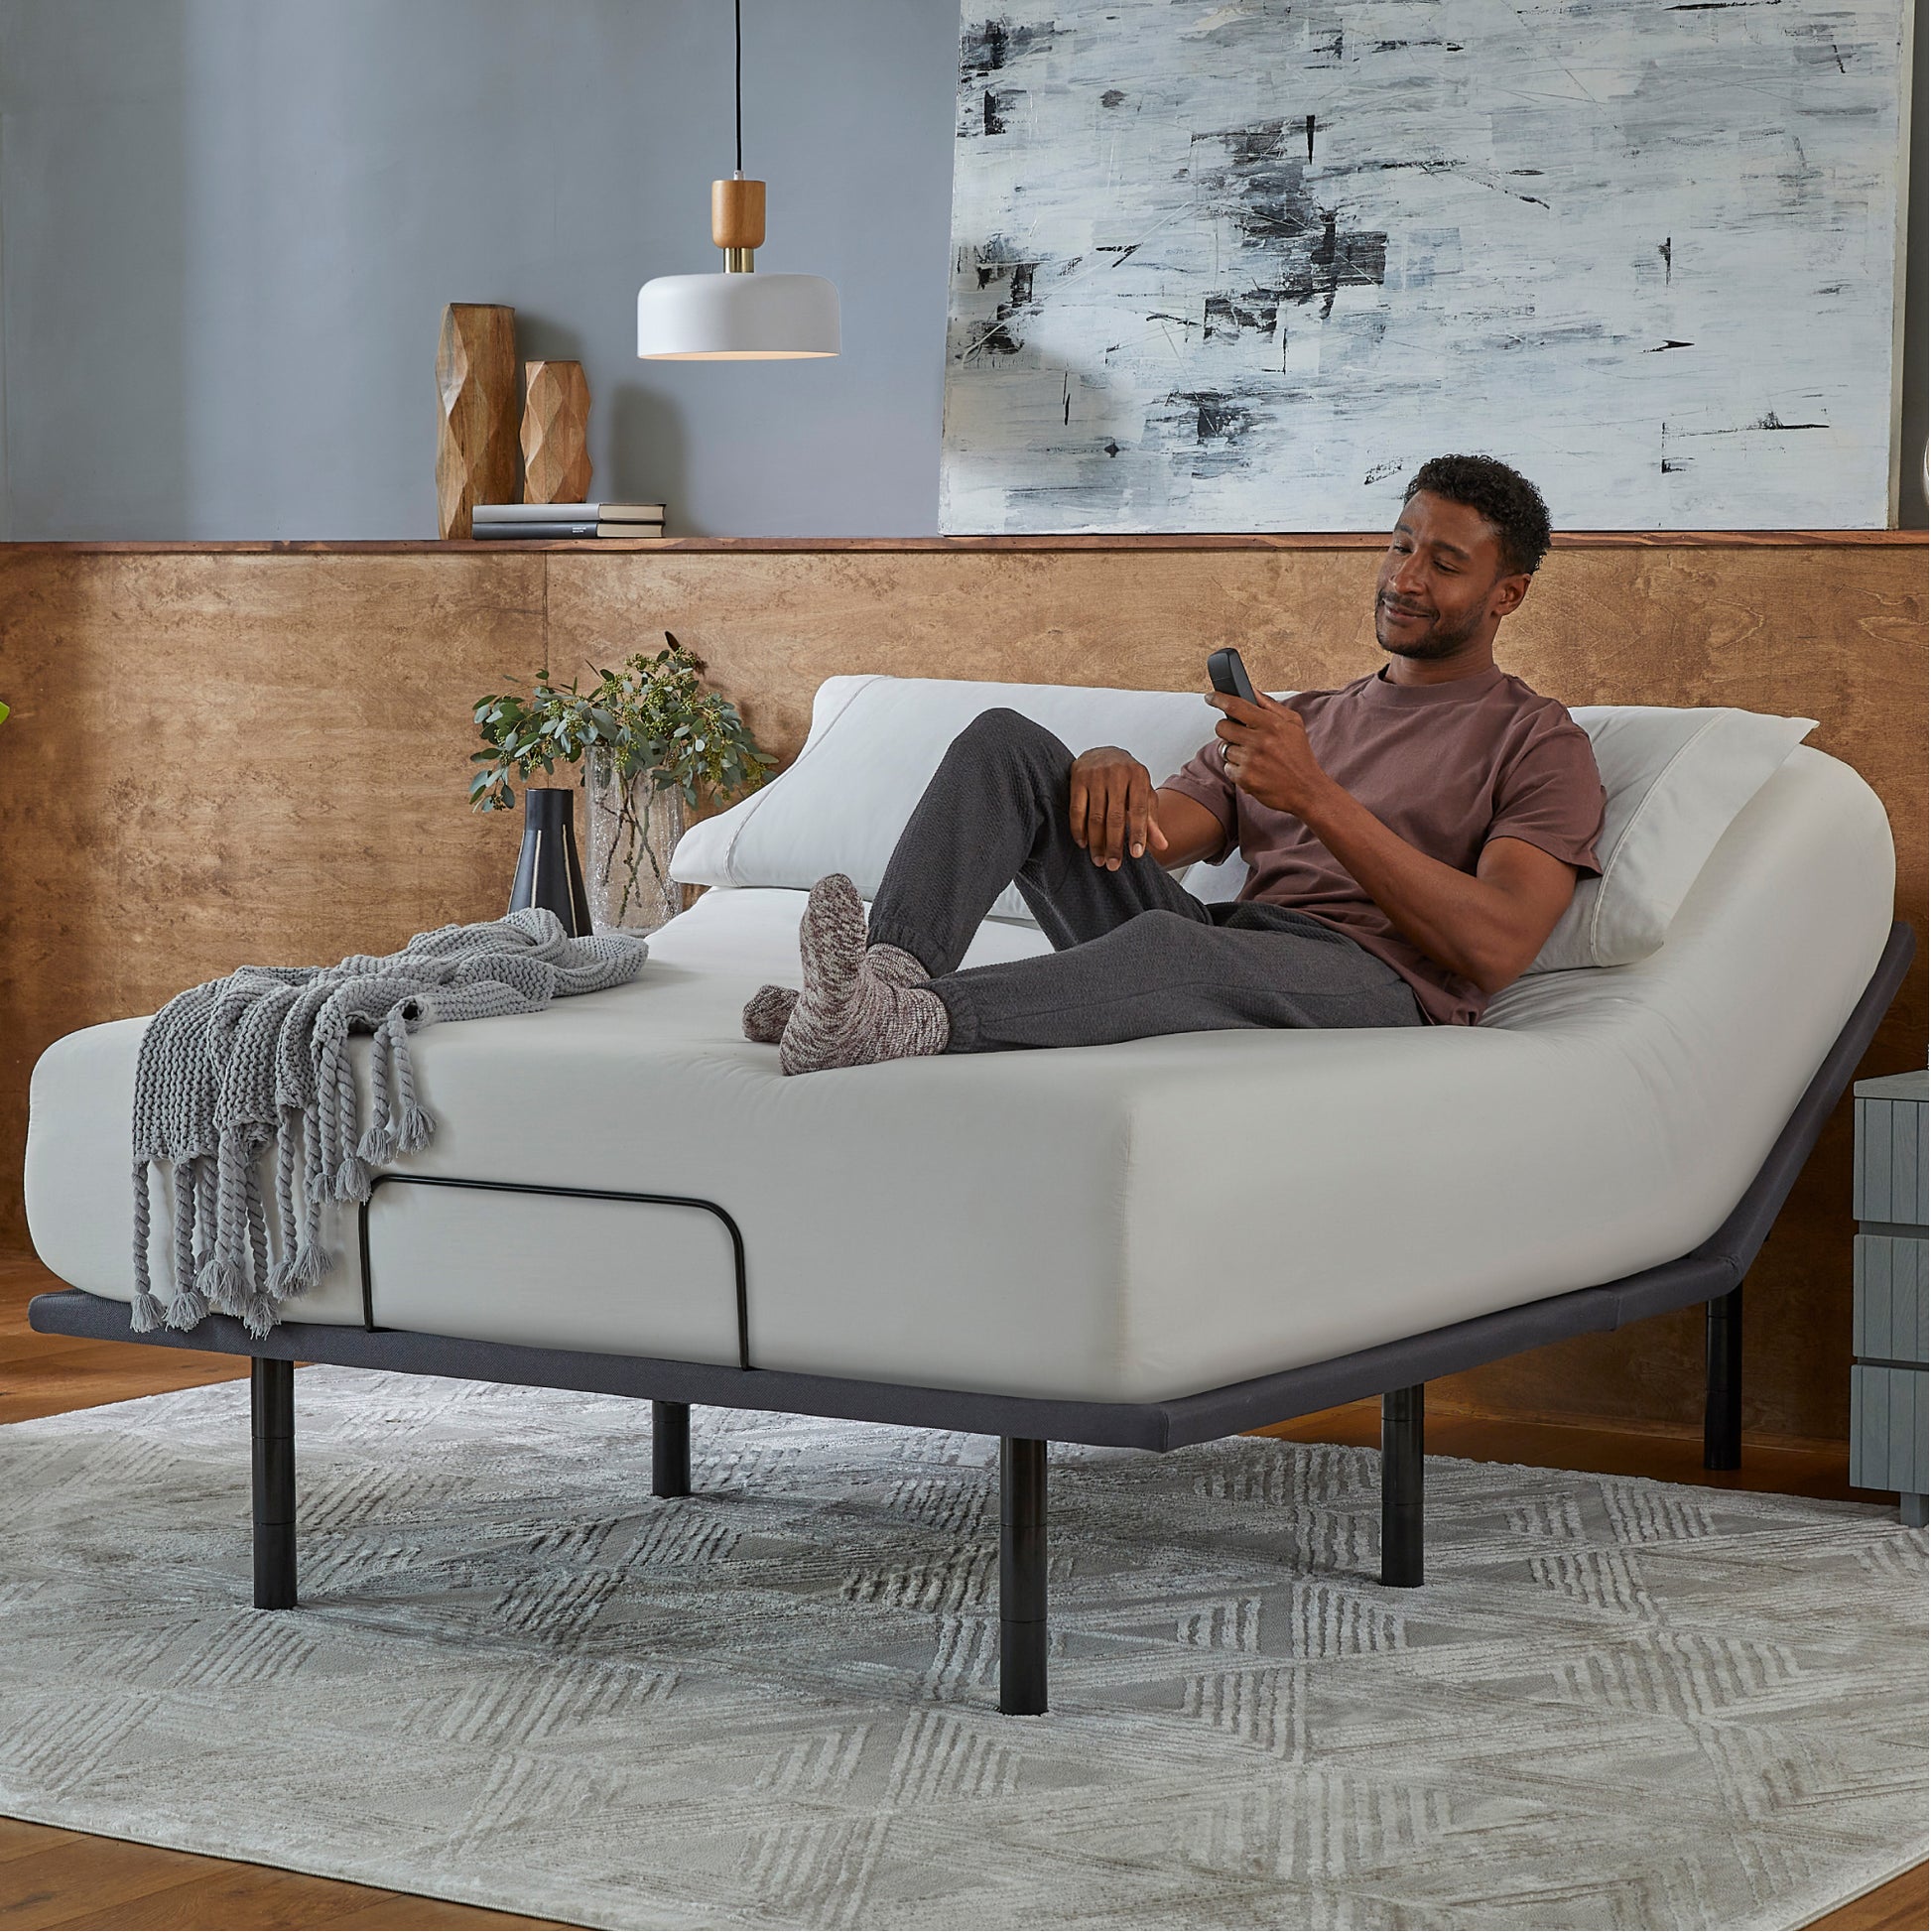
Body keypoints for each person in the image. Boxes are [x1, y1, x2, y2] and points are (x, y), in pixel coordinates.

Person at [746, 453, 1607, 1075]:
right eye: (1399, 545)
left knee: (1170, 946)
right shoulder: (1299, 718)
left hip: (1378, 979)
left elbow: (1495, 947)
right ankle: (880, 988)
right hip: (1235, 947)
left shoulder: (1537, 741)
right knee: (1005, 742)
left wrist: (1316, 796)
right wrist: (1103, 766)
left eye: (1445, 562)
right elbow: (1152, 838)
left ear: (1509, 593)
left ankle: (905, 1020)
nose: (1405, 576)